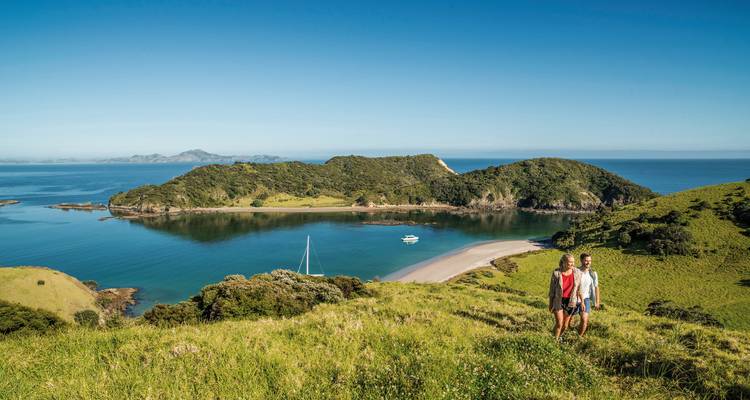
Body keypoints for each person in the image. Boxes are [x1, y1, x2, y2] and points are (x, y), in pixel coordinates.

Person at [548, 253, 583, 341]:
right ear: (563, 262)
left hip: (571, 301)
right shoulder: (556, 273)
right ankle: (554, 341)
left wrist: (582, 302)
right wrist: (550, 303)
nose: (572, 264)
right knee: (559, 323)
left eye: (573, 262)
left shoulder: (577, 272)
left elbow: (579, 288)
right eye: (570, 262)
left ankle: (557, 337)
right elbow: (552, 290)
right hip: (558, 300)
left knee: (565, 325)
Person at [573, 253, 600, 337]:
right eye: (586, 260)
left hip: (586, 299)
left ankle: (578, 337)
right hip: (574, 299)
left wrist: (597, 302)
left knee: (584, 319)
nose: (588, 262)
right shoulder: (575, 271)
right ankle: (568, 332)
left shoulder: (593, 273)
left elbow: (596, 287)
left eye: (590, 261)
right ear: (581, 260)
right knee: (569, 321)